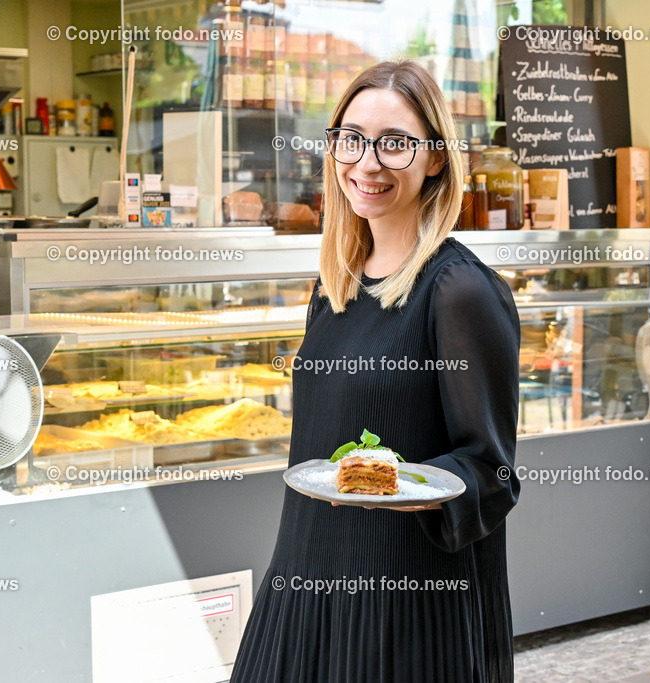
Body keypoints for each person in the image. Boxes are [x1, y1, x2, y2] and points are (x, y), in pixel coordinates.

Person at [230, 60, 521, 683]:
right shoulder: (333, 283)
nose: (367, 163)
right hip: (307, 571)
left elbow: (492, 473)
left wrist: (406, 486)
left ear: (436, 158)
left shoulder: (459, 290)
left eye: (395, 143)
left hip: (405, 602)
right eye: (351, 138)